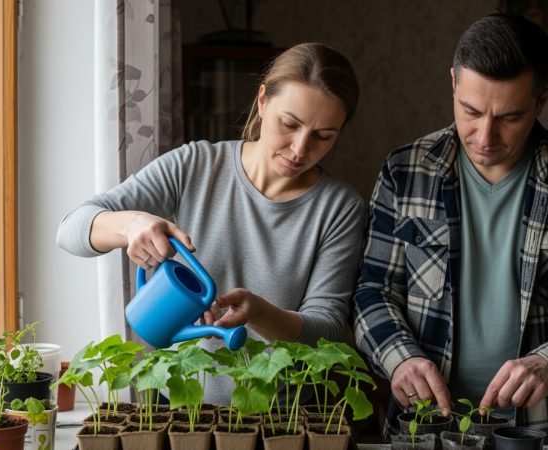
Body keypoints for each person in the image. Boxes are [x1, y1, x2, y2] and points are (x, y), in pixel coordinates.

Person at [352, 14, 548, 444]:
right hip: (425, 429)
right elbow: (372, 292)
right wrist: (399, 359)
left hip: (544, 428)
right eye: (470, 111)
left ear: (542, 100)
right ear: (453, 82)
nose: (485, 136)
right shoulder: (404, 171)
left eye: (509, 117)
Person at [57, 43, 365, 407]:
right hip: (177, 410)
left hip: (280, 418)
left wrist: (260, 314)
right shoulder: (195, 166)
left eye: (323, 136)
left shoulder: (340, 208)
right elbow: (70, 231)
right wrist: (130, 224)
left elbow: (326, 330)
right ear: (263, 100)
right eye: (289, 124)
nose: (300, 148)